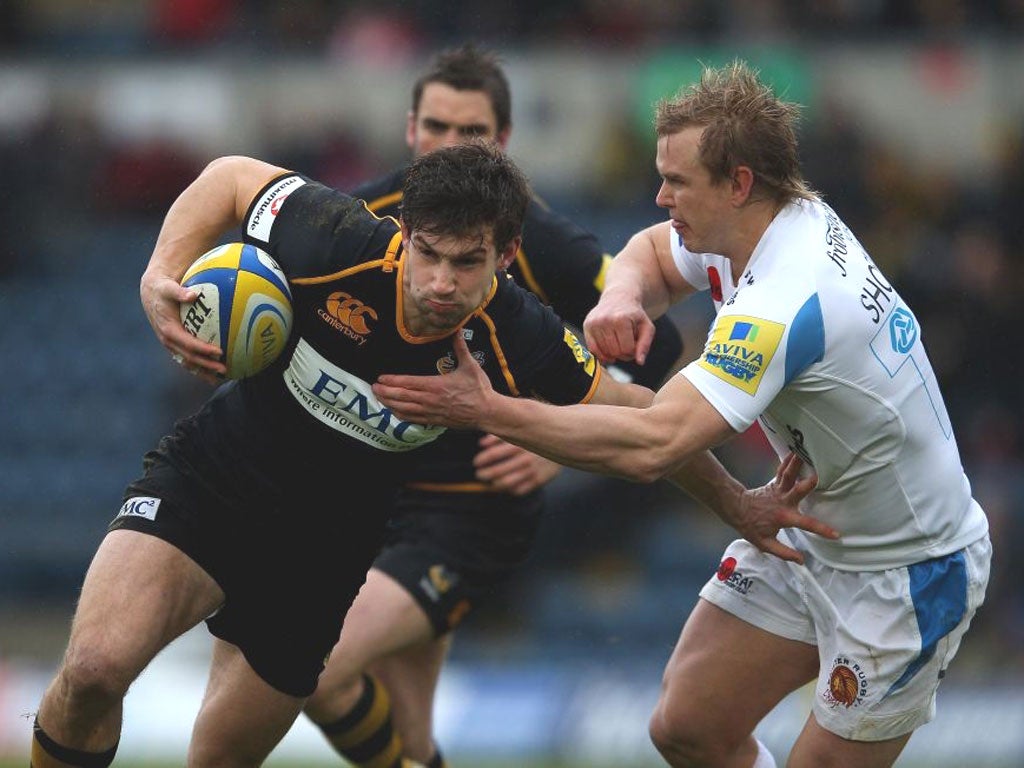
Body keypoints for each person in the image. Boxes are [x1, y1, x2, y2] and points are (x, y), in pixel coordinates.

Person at [372, 61, 992, 768]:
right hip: (810, 538)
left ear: (738, 184)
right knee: (687, 728)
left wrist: (485, 408)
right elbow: (647, 255)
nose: (660, 196)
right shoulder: (758, 224)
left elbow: (652, 445)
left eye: (677, 182)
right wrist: (620, 299)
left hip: (906, 570)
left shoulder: (785, 296)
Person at [29, 142, 664, 768]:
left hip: (321, 555)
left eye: (467, 263)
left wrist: (739, 500)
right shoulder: (335, 238)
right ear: (405, 233)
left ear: (507, 255)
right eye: (429, 254)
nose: (442, 282)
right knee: (91, 671)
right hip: (213, 478)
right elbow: (227, 177)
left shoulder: (520, 333)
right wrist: (157, 275)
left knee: (219, 758)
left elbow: (654, 425)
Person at [300, 43, 685, 768]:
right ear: (409, 128)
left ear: (502, 143)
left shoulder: (540, 242)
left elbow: (658, 350)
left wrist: (552, 444)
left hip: (467, 509)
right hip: (370, 491)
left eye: (469, 132)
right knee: (411, 740)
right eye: (436, 127)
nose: (448, 145)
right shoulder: (361, 218)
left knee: (313, 668)